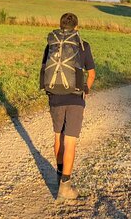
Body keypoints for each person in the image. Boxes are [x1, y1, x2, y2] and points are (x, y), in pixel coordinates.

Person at [40, 12, 96, 201]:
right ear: (76, 27)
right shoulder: (82, 45)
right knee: (70, 141)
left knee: (58, 137)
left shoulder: (52, 44)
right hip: (74, 98)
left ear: (60, 26)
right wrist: (86, 89)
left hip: (55, 95)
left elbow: (45, 69)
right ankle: (65, 187)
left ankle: (59, 175)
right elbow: (91, 73)